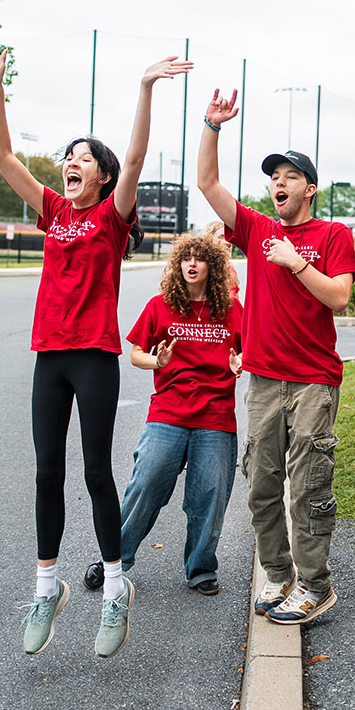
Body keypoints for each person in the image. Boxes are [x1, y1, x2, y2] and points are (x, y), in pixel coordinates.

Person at [0, 39, 191, 657]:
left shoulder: (112, 216)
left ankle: (117, 588)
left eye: (84, 158)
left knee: (95, 472)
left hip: (94, 355)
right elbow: (1, 153)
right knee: (46, 472)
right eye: (68, 157)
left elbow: (139, 152)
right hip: (50, 356)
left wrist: (145, 88)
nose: (71, 163)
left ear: (105, 176)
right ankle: (48, 586)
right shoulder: (54, 210)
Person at [197, 88, 355, 625]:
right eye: (274, 177)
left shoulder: (333, 234)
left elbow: (339, 296)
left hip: (314, 380)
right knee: (262, 485)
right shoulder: (257, 229)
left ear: (309, 188)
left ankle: (316, 585)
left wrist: (295, 262)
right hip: (265, 380)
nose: (279, 183)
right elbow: (208, 184)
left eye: (289, 176)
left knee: (310, 485)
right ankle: (279, 573)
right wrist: (212, 125)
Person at [83, 233, 243, 596]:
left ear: (212, 267)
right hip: (168, 413)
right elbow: (136, 352)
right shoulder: (161, 306)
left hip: (215, 417)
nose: (191, 263)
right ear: (177, 265)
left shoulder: (232, 310)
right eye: (185, 257)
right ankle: (114, 559)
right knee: (145, 485)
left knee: (210, 495)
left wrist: (239, 364)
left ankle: (201, 567)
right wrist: (157, 360)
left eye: (199, 258)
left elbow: (252, 351)